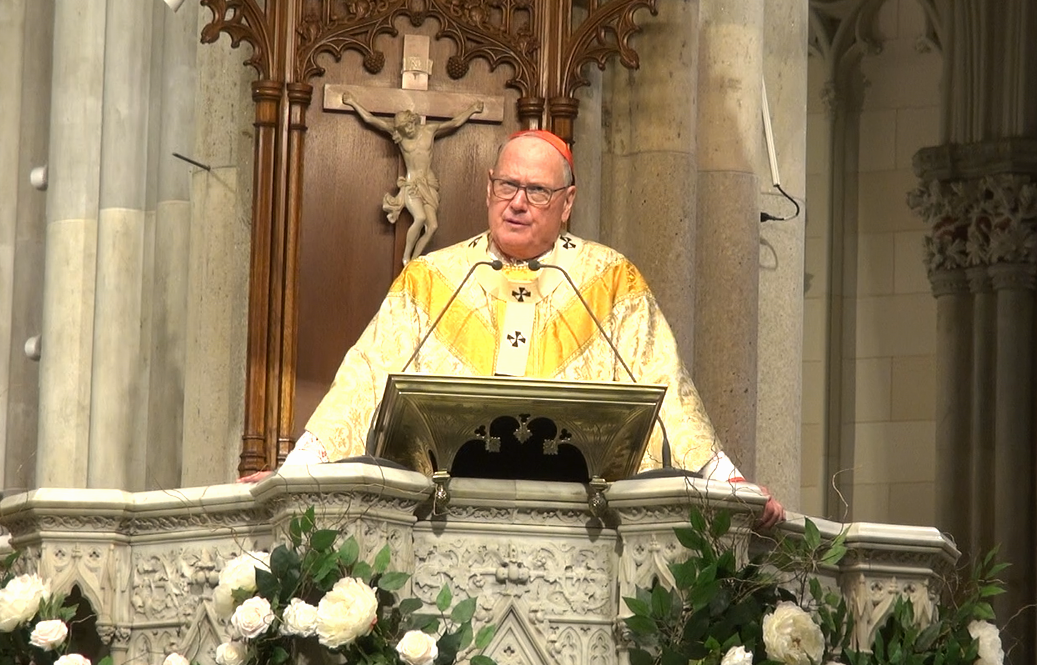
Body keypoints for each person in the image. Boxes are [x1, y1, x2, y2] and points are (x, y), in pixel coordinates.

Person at [243, 129, 785, 529]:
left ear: (567, 203)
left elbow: (668, 392)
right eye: (507, 185)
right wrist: (295, 473)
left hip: (580, 527)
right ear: (487, 187)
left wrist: (729, 483)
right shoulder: (433, 280)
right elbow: (363, 382)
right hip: (441, 522)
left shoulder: (610, 281)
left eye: (537, 191)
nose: (518, 202)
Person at [343, 94, 484, 265]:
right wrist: (352, 102)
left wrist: (473, 110)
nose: (408, 130)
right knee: (420, 218)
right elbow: (370, 119)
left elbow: (454, 123)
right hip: (410, 184)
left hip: (428, 184)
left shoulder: (429, 131)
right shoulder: (399, 136)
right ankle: (406, 258)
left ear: (414, 121)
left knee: (433, 227)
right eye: (403, 128)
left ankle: (415, 261)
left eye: (409, 125)